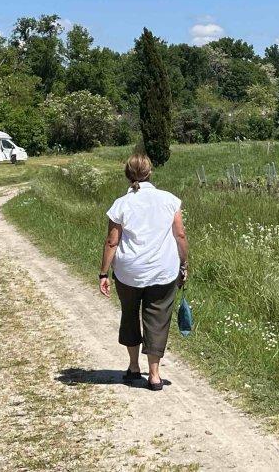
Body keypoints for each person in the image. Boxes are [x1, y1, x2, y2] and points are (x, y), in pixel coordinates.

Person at [98, 154, 188, 391]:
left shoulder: (121, 204)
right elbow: (180, 235)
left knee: (130, 314)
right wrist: (183, 264)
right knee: (157, 319)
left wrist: (103, 274)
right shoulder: (169, 200)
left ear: (128, 175)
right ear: (150, 173)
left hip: (128, 272)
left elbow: (112, 242)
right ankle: (155, 375)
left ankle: (134, 367)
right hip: (162, 271)